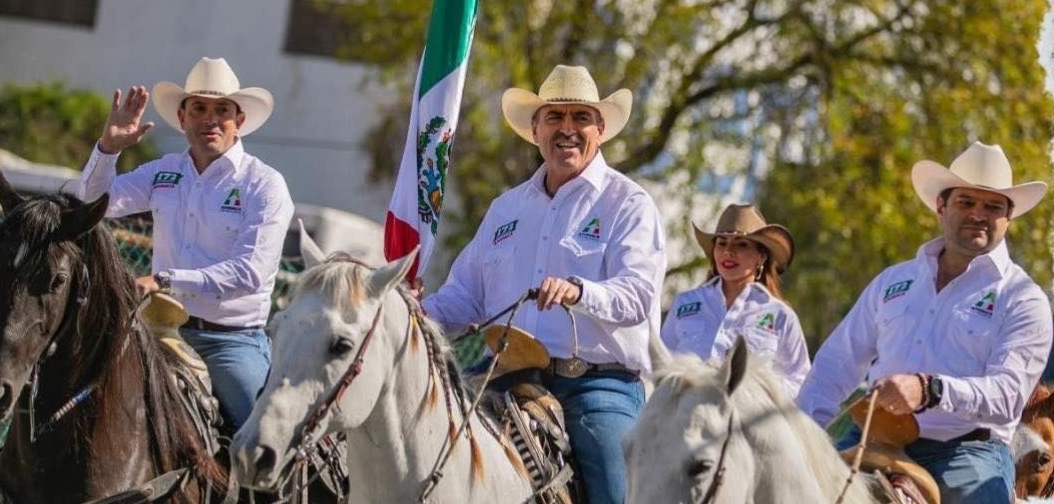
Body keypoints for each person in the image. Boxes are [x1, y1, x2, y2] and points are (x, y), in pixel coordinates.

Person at [420, 65, 667, 504]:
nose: (567, 129)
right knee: (428, 449)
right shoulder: (506, 209)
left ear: (600, 129)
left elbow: (638, 296)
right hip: (505, 377)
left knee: (615, 481)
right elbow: (465, 297)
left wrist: (579, 291)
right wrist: (412, 312)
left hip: (597, 387)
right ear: (535, 130)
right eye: (554, 117)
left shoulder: (628, 203)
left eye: (580, 117)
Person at [796, 141, 1052, 504]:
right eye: (966, 202)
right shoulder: (892, 282)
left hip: (966, 452)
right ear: (941, 207)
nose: (979, 214)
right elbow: (835, 365)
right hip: (872, 433)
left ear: (1008, 219)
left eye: (993, 206)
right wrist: (800, 431)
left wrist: (930, 389)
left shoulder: (1023, 298)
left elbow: (1006, 395)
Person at [76, 57, 294, 434]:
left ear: (238, 121)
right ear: (183, 118)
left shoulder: (264, 185)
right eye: (199, 108)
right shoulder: (164, 171)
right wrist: (108, 149)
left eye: (222, 109)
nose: (209, 119)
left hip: (229, 342)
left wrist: (163, 280)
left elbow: (249, 273)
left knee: (259, 440)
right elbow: (93, 204)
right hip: (153, 331)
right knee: (79, 405)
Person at [661, 203, 810, 396]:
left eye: (741, 244)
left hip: (748, 422)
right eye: (721, 243)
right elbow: (662, 365)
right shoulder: (684, 304)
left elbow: (799, 382)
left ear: (761, 257)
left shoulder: (780, 316)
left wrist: (756, 392)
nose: (728, 251)